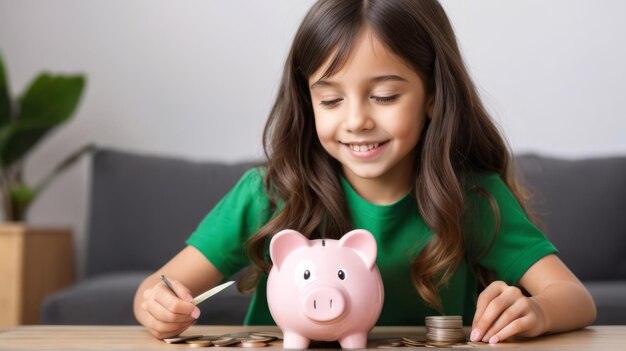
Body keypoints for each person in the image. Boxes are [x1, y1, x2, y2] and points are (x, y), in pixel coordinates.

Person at [134, 0, 596, 344]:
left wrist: (534, 310)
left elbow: (574, 298)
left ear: (433, 94)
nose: (356, 120)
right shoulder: (268, 195)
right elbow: (155, 290)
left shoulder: (471, 197)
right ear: (307, 101)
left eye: (385, 96)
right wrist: (159, 306)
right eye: (331, 100)